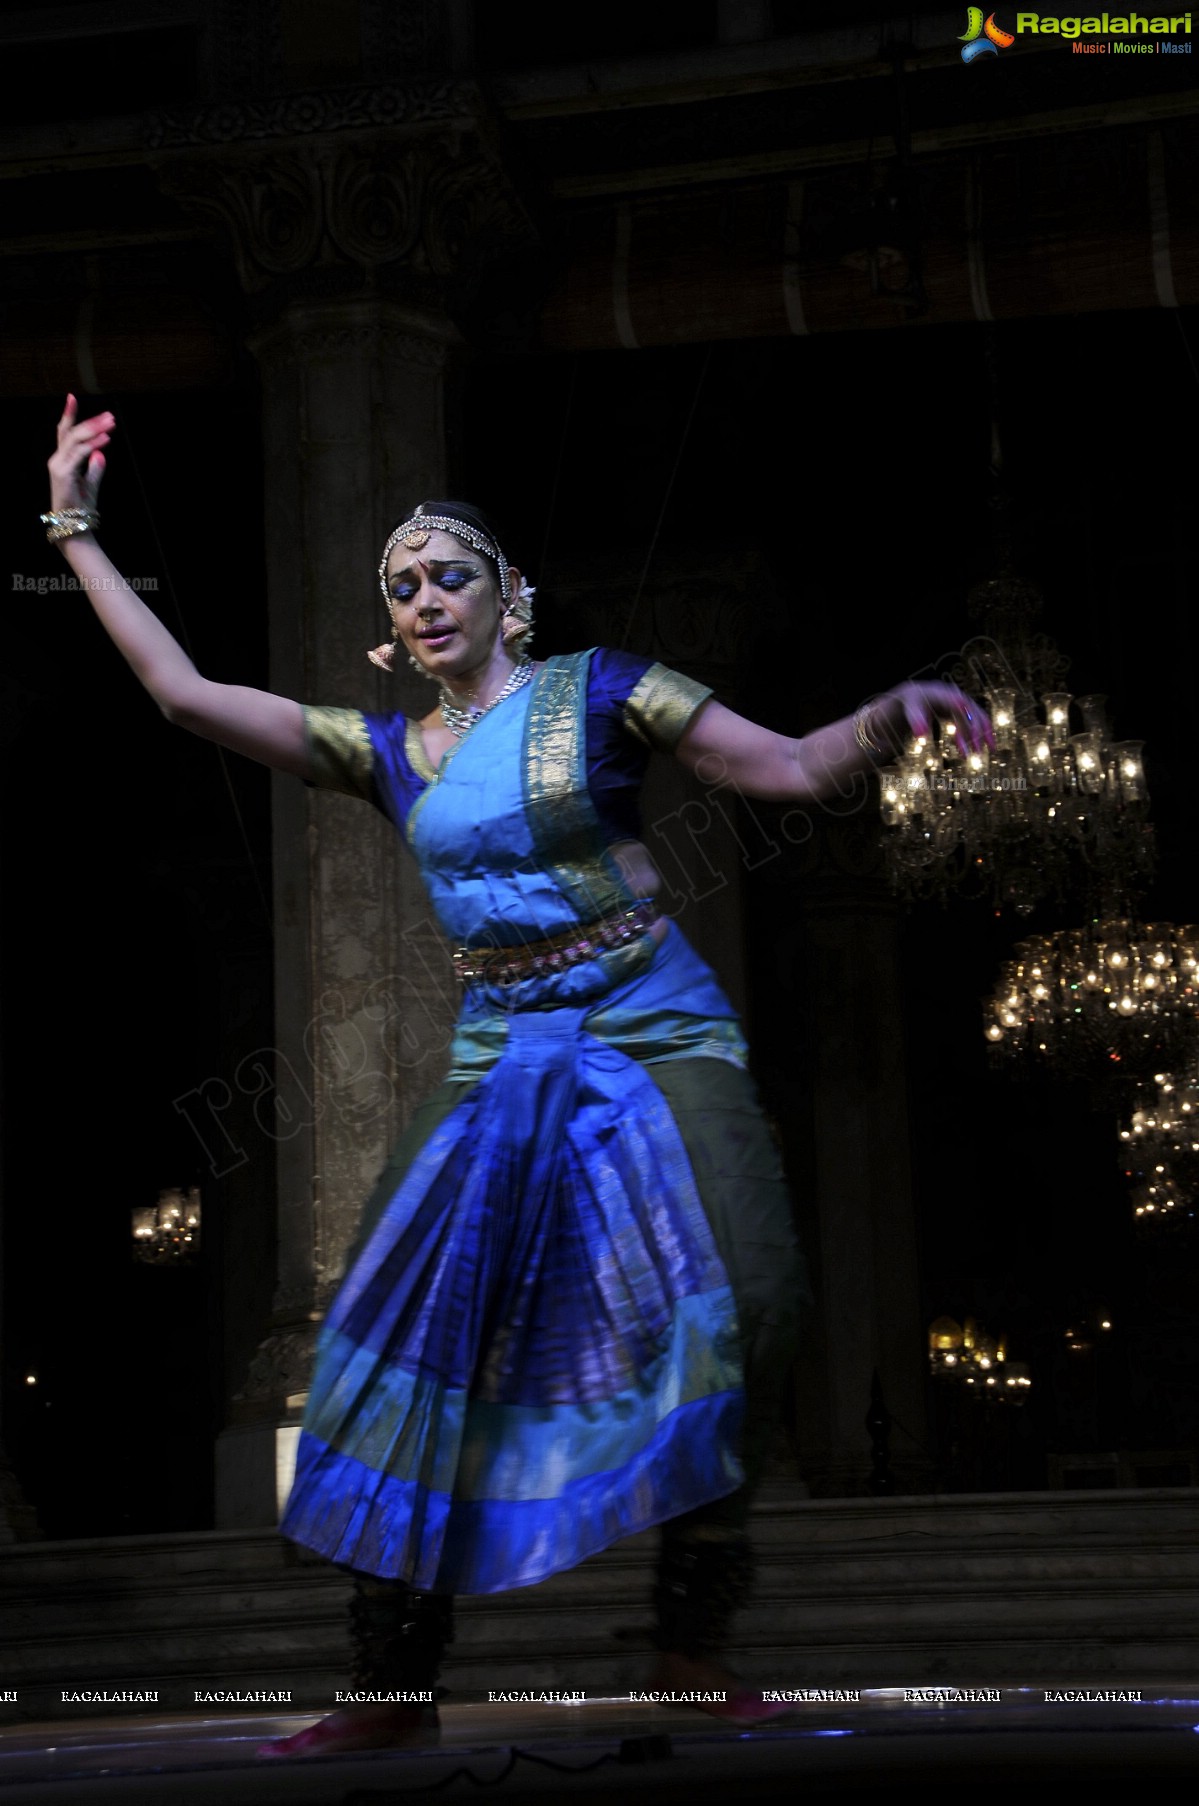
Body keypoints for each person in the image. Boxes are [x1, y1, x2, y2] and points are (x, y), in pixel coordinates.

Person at [45, 397, 991, 1754]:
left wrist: (889, 714)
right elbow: (183, 694)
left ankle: (685, 1640)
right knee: (394, 1338)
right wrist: (74, 527)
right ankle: (391, 1680)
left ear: (508, 596)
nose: (425, 598)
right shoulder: (390, 753)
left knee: (753, 1289)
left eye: (448, 575)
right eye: (402, 587)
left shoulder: (606, 688)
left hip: (651, 1024)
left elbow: (784, 765)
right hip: (499, 1047)